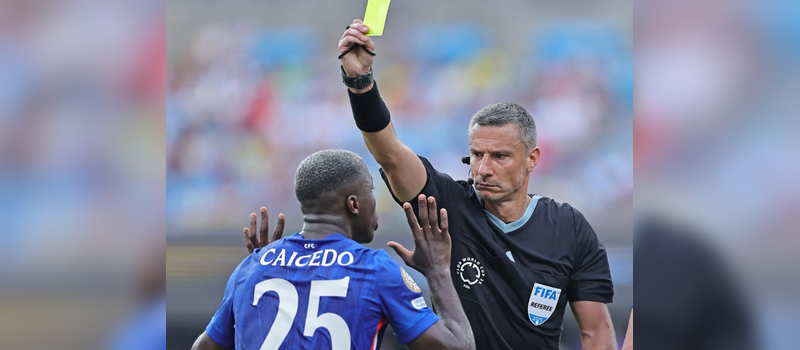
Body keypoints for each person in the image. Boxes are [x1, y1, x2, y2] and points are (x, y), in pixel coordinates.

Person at [338, 19, 617, 349]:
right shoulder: (447, 205)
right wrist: (360, 83)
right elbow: (390, 154)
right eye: (476, 155)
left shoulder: (569, 228)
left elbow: (596, 331)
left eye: (499, 156)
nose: (483, 169)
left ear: (532, 159)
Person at [191, 150, 475, 350]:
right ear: (354, 204)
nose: (375, 206)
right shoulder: (375, 269)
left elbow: (205, 347)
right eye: (371, 192)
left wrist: (262, 267)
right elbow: (456, 347)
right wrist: (438, 271)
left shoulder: (251, 268)